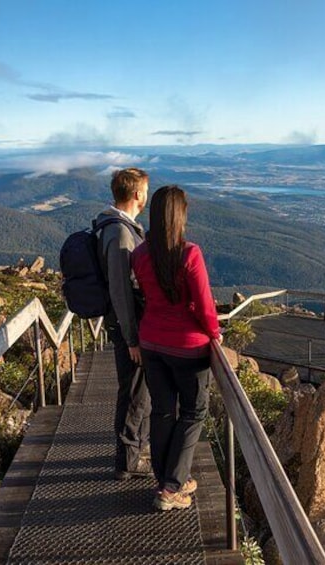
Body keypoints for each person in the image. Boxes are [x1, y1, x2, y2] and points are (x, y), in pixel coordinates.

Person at [131, 185, 222, 511]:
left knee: (163, 411)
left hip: (152, 344)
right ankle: (171, 488)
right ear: (179, 215)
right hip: (188, 349)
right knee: (194, 412)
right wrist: (214, 332)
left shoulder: (140, 254)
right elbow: (204, 305)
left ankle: (170, 480)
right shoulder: (189, 254)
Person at [97, 168, 152, 480]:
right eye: (145, 190)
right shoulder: (119, 234)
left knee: (137, 391)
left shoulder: (119, 227)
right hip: (128, 329)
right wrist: (132, 338)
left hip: (128, 326)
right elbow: (120, 288)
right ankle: (128, 461)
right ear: (136, 195)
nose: (146, 195)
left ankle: (133, 452)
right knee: (133, 393)